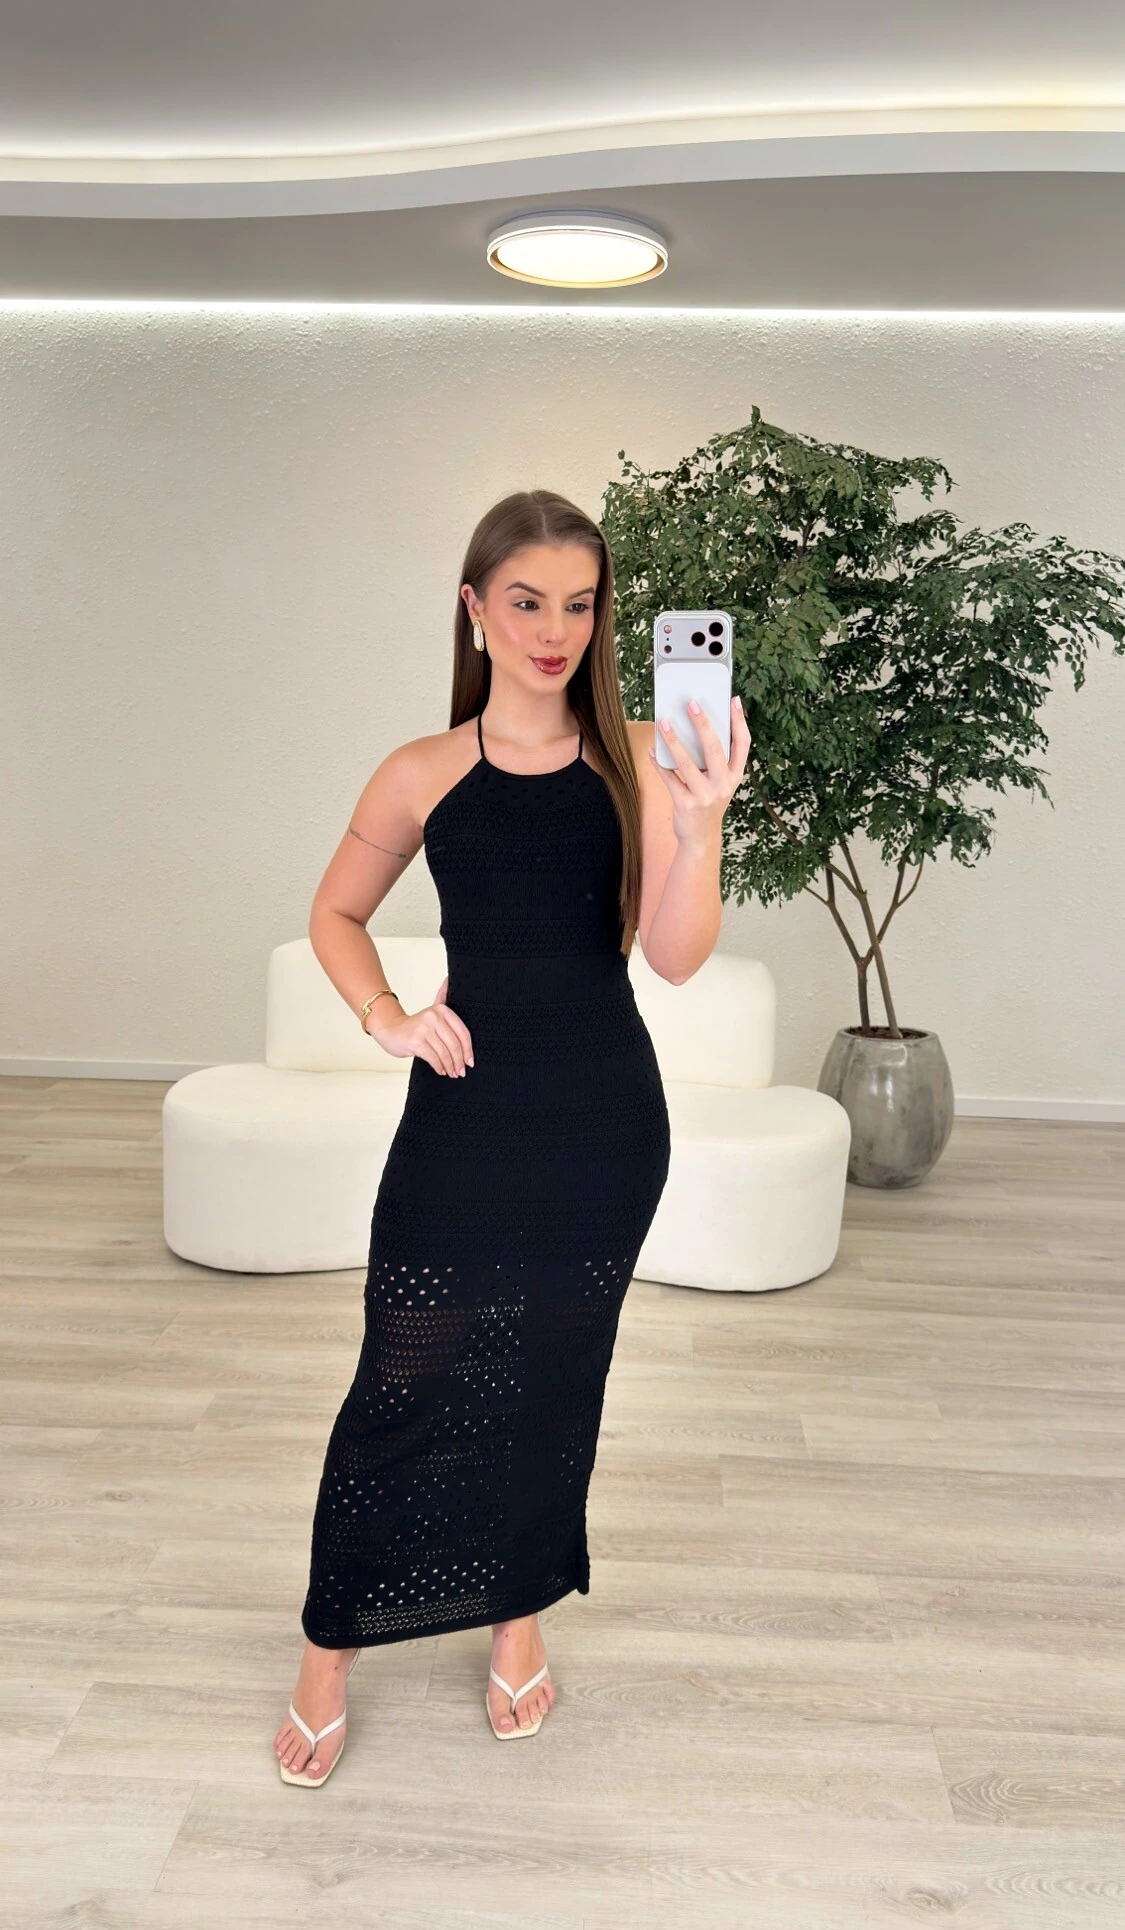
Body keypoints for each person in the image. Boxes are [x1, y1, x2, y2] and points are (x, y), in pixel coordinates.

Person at [274, 488, 749, 1781]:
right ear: (475, 608)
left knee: (553, 1381)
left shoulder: (644, 757)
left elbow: (674, 957)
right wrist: (385, 1016)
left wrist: (700, 822)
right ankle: (328, 1648)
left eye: (580, 606)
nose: (554, 631)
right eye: (527, 602)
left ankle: (518, 1616)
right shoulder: (420, 772)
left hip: (602, 1123)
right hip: (464, 1117)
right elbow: (334, 913)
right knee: (399, 1383)